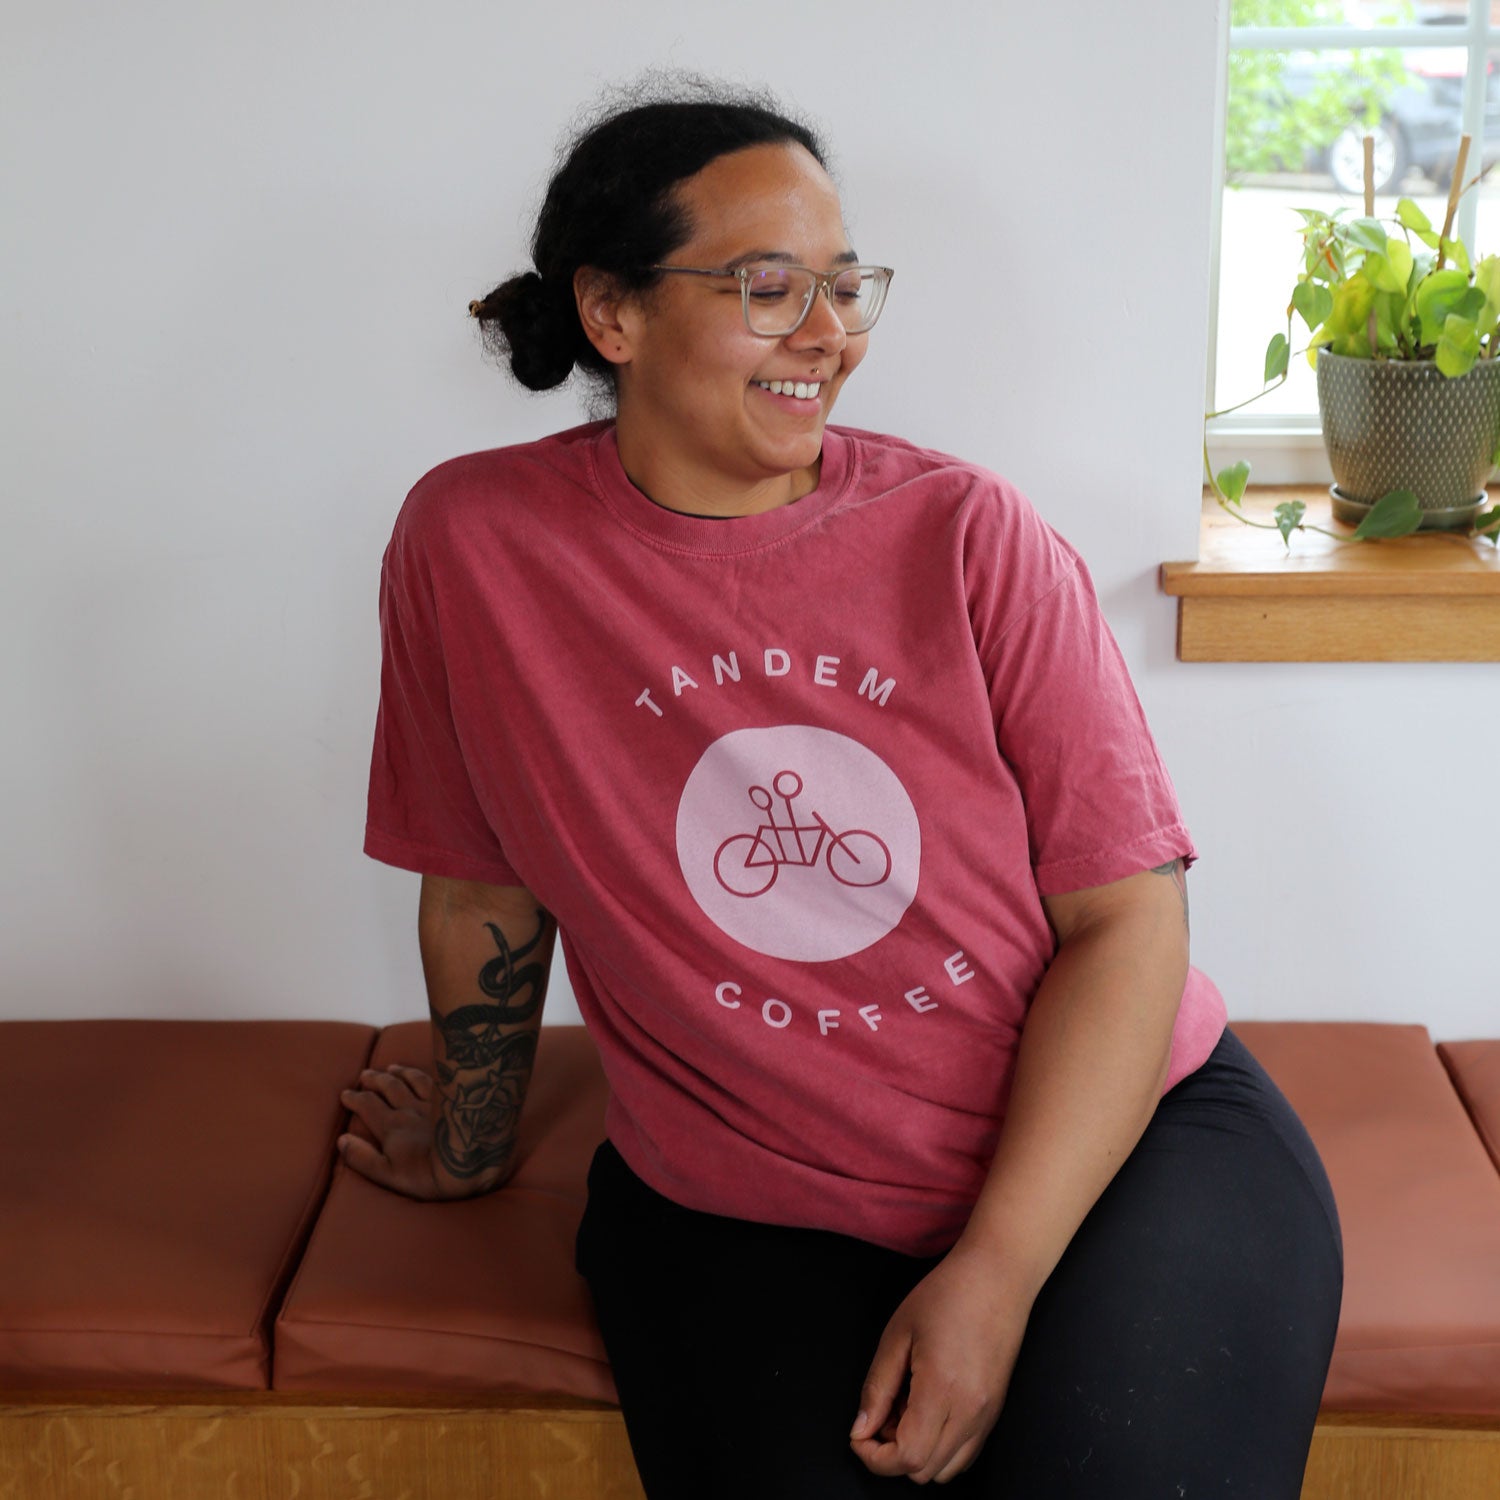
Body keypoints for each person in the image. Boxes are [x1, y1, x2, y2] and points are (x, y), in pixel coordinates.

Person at [340, 78, 1343, 1498]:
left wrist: (991, 1277)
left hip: (1124, 1149)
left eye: (844, 285)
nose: (829, 333)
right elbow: (484, 879)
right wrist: (469, 1140)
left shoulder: (967, 534)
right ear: (612, 315)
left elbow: (1128, 924)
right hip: (737, 1206)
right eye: (768, 287)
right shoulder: (473, 545)